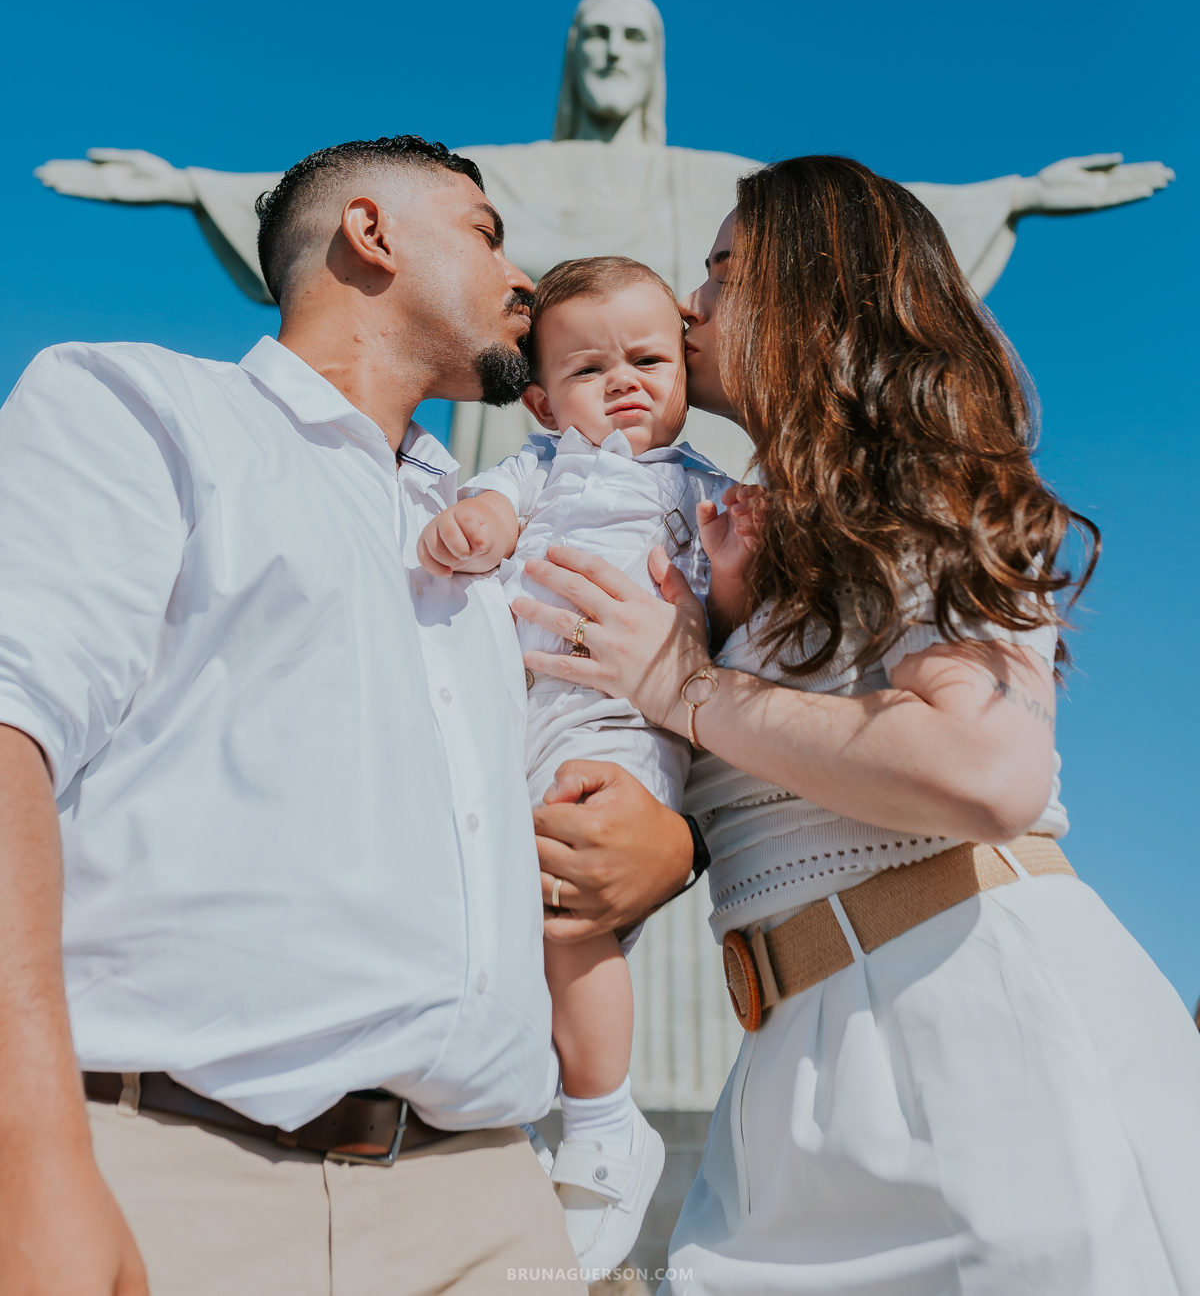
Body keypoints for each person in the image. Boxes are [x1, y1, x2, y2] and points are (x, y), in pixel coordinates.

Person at [0, 134, 694, 1296]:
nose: (524, 279)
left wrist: (675, 845)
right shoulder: (141, 411)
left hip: (489, 1202)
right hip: (173, 1174)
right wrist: (31, 1157)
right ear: (371, 236)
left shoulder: (500, 525)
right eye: (486, 233)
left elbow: (598, 734)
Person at [510, 155, 1200, 1294]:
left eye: (721, 272)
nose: (690, 306)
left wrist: (684, 687)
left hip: (971, 1029)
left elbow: (985, 768)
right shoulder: (730, 536)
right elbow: (772, 773)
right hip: (795, 1057)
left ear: (810, 295)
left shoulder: (932, 479)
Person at [418, 255, 742, 1275]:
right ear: (546, 398)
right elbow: (491, 514)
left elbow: (735, 603)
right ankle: (520, 1101)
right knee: (493, 905)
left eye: (649, 357)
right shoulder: (535, 465)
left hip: (619, 719)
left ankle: (604, 1120)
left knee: (570, 908)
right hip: (515, 712)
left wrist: (730, 582)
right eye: (590, 367)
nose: (626, 381)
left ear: (686, 376)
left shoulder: (699, 488)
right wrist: (477, 527)